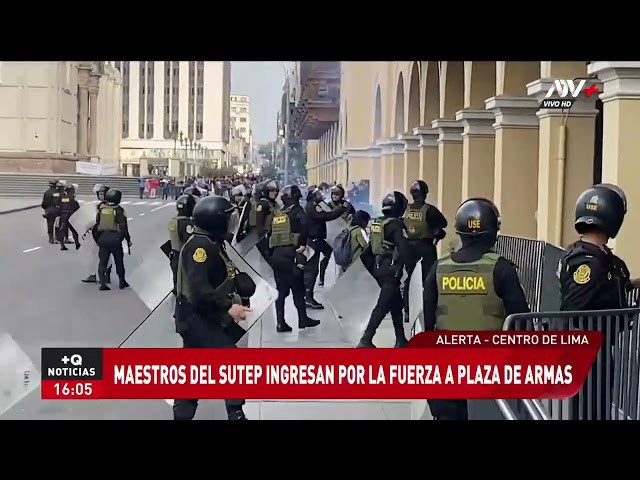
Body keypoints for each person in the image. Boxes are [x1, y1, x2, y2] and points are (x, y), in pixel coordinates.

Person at [422, 198, 530, 420]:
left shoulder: (439, 268)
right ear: (493, 231)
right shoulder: (501, 269)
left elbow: (428, 323)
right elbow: (522, 322)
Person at [559, 184, 639, 420]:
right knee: (589, 408)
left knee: (598, 405)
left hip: (597, 346)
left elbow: (606, 287)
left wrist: (632, 285)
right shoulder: (588, 261)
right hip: (588, 348)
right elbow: (575, 307)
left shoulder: (596, 256)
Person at [173, 195, 252, 421]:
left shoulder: (211, 242)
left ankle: (183, 414)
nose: (231, 223)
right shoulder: (200, 246)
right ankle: (235, 412)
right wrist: (228, 308)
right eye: (227, 219)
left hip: (199, 317)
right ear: (215, 221)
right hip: (197, 318)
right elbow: (199, 290)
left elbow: (219, 276)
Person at [356, 191, 414, 348]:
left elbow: (368, 250)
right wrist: (410, 266)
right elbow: (404, 248)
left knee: (396, 304)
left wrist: (372, 270)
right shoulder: (395, 225)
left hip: (378, 268)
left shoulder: (377, 223)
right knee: (382, 306)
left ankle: (401, 339)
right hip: (391, 270)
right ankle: (366, 339)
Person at [268, 185, 321, 332]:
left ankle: (280, 322)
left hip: (277, 255)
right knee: (298, 288)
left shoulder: (279, 213)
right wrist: (303, 245)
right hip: (292, 254)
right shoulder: (297, 211)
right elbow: (305, 227)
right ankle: (303, 319)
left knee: (281, 291)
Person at [402, 180, 448, 322]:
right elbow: (443, 224)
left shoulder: (406, 209)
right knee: (428, 282)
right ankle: (428, 311)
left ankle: (408, 311)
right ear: (425, 193)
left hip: (409, 248)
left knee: (408, 281)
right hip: (426, 248)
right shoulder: (430, 210)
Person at [304, 187, 346, 308]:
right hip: (313, 241)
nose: (320, 195)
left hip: (316, 240)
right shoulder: (312, 207)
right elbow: (327, 216)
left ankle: (308, 295)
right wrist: (341, 209)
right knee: (312, 270)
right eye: (318, 193)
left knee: (327, 252)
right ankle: (308, 297)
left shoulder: (312, 206)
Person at [95, 189, 131, 291]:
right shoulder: (119, 210)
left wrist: (98, 238)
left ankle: (102, 283)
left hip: (103, 238)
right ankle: (121, 281)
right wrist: (128, 239)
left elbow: (97, 223)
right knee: (119, 261)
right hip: (115, 239)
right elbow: (124, 227)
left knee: (102, 262)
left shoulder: (102, 209)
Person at [82, 184, 112, 284]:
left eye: (102, 194)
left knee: (102, 254)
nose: (100, 196)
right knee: (96, 254)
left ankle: (102, 274)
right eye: (99, 194)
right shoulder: (102, 205)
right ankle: (96, 274)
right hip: (99, 233)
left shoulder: (107, 206)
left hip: (104, 233)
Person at [168, 194, 196, 294]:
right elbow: (190, 239)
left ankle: (176, 288)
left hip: (174, 252)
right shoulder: (186, 222)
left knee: (176, 274)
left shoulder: (173, 220)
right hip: (183, 254)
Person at [336, 210, 371, 276]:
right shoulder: (359, 231)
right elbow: (366, 246)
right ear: (363, 221)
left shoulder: (349, 229)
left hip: (346, 262)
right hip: (355, 263)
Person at [255, 180, 279, 261]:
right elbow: (259, 224)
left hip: (275, 238)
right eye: (272, 191)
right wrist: (263, 240)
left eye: (276, 190)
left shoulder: (274, 204)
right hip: (267, 239)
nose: (275, 193)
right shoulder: (263, 204)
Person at [58, 183, 81, 251]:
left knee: (62, 230)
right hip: (70, 217)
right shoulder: (72, 198)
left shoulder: (63, 198)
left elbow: (60, 206)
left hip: (63, 216)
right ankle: (77, 243)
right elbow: (76, 207)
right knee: (74, 231)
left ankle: (62, 245)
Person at [41, 179, 62, 244]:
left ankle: (51, 238)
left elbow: (44, 203)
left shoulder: (46, 192)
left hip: (49, 210)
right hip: (58, 210)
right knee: (57, 224)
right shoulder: (59, 193)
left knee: (50, 224)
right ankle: (57, 237)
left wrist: (46, 209)